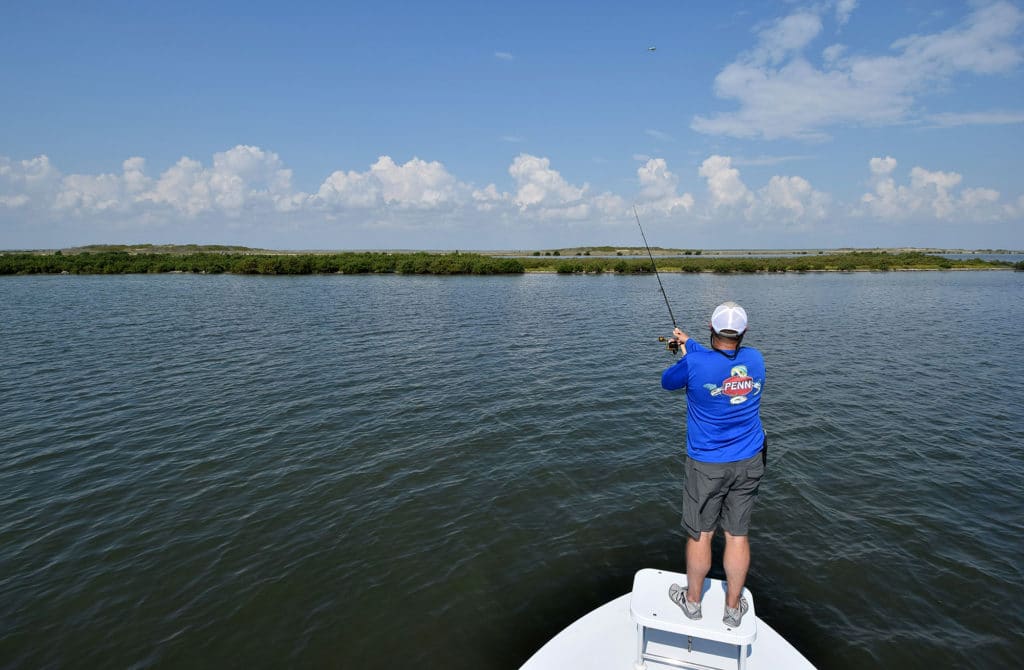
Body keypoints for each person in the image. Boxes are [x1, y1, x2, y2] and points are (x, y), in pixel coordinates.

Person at [660, 301, 766, 629]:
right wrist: (687, 343)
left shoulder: (695, 363)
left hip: (707, 465)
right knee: (736, 536)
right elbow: (714, 359)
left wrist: (684, 351)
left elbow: (668, 382)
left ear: (712, 327)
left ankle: (692, 603)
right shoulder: (756, 359)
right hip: (749, 460)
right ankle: (733, 609)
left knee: (701, 534)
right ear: (744, 331)